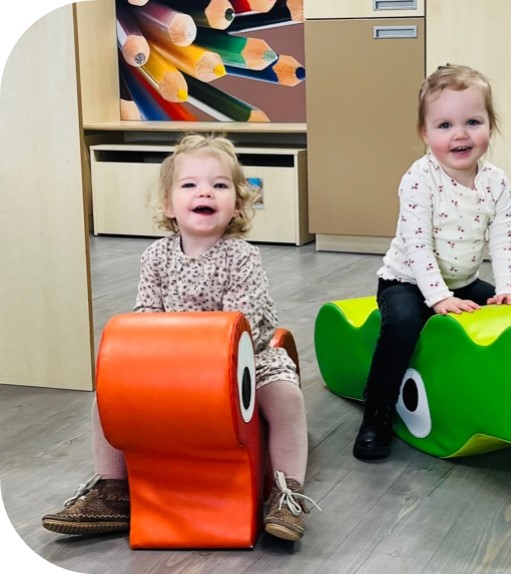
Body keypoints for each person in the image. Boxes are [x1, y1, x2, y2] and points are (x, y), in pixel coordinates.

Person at [42, 134, 319, 541]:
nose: (204, 192)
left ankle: (286, 492)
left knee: (286, 396)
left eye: (219, 185)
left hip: (245, 364)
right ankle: (112, 489)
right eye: (189, 184)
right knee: (107, 396)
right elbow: (145, 316)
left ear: (237, 204)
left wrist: (209, 358)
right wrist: (152, 361)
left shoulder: (242, 256)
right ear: (169, 205)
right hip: (174, 368)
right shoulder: (155, 257)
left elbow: (245, 327)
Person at [353, 64, 511, 461]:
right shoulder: (420, 179)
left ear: (490, 125)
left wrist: (507, 290)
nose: (460, 134)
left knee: (510, 316)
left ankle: (504, 397)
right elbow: (418, 247)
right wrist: (438, 298)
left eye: (473, 122)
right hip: (406, 282)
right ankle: (377, 409)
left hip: (462, 283)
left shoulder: (496, 181)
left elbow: (504, 239)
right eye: (445, 125)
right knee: (403, 324)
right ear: (425, 133)